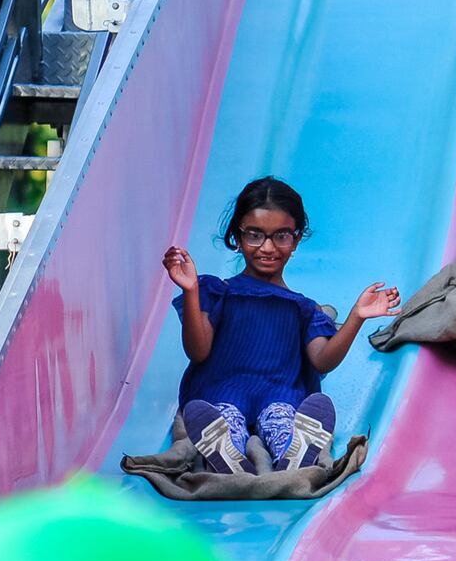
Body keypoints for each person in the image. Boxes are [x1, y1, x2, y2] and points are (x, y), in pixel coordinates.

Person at [162, 176, 400, 474]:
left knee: (282, 418)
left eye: (281, 236)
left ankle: (294, 452)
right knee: (224, 419)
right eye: (255, 235)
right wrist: (191, 291)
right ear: (237, 237)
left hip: (279, 393)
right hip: (221, 390)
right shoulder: (218, 292)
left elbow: (323, 359)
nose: (268, 247)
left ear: (296, 239)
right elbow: (198, 352)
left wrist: (356, 317)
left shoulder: (302, 308)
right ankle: (228, 455)